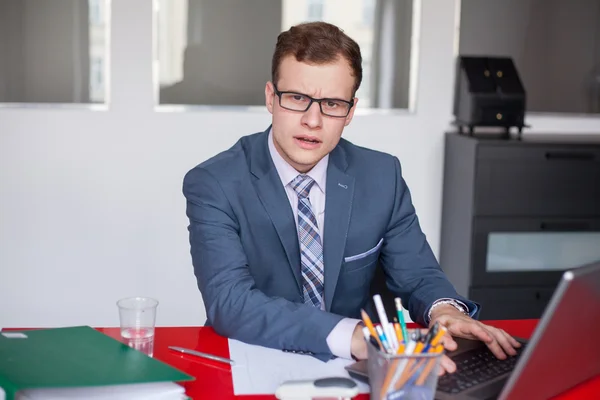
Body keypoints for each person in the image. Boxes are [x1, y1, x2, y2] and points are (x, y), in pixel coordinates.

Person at [182, 21, 521, 373]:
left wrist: (444, 311)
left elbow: (418, 273)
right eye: (297, 98)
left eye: (331, 103)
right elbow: (230, 302)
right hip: (258, 363)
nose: (313, 120)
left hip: (369, 372)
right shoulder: (215, 183)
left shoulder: (381, 176)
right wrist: (355, 336)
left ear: (351, 111)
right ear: (271, 97)